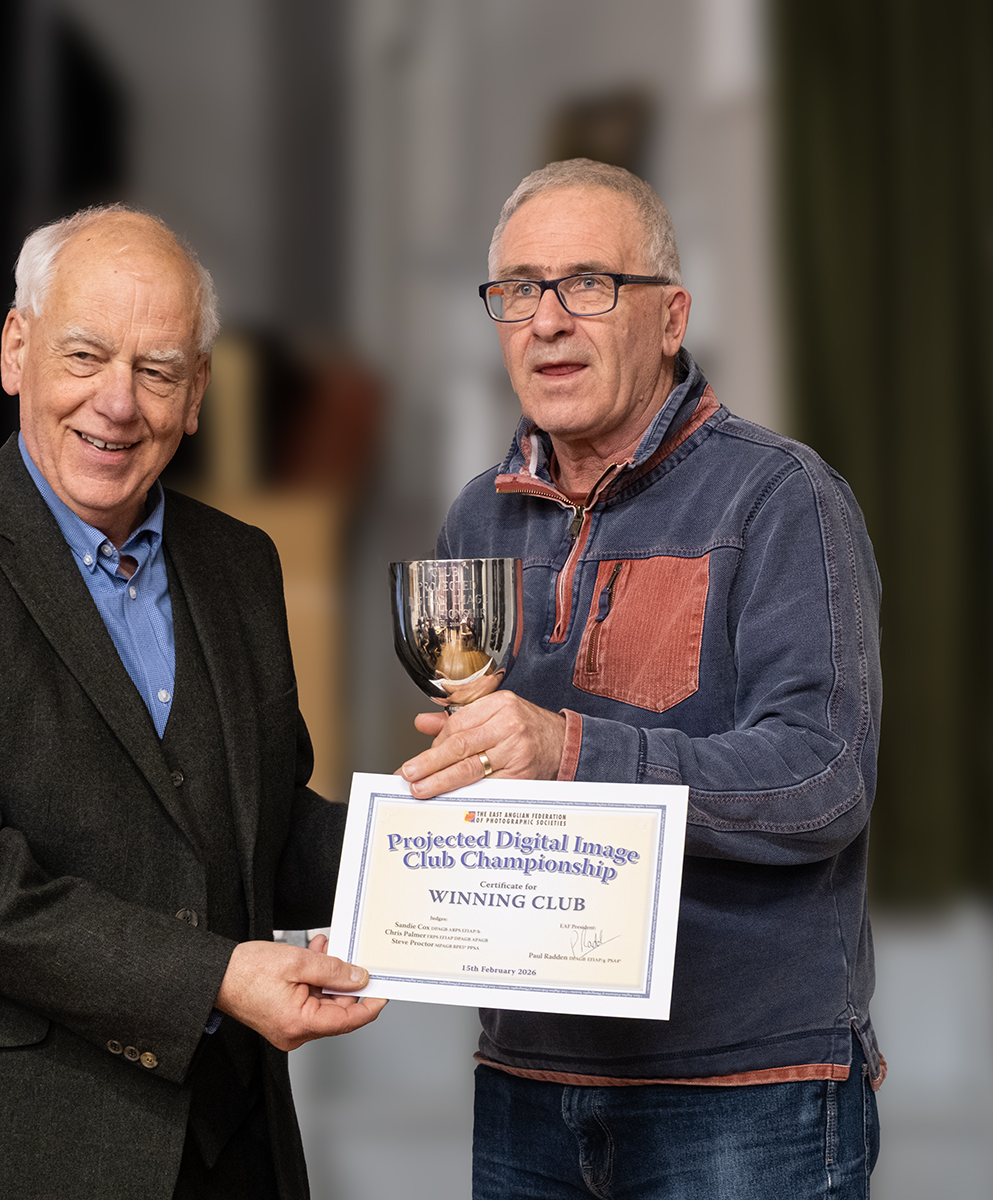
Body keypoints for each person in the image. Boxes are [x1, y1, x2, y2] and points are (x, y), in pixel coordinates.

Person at [0, 204, 384, 1200]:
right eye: (85, 356)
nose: (117, 403)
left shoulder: (241, 567)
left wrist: (451, 856)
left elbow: (264, 833)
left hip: (226, 1153)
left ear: (196, 393)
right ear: (17, 351)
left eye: (157, 371)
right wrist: (215, 978)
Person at [400, 159, 882, 1198]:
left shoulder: (780, 498)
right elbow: (485, 776)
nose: (547, 320)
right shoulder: (479, 515)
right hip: (527, 1080)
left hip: (746, 1093)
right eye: (519, 288)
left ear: (671, 317)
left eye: (588, 284)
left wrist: (573, 750)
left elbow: (823, 778)